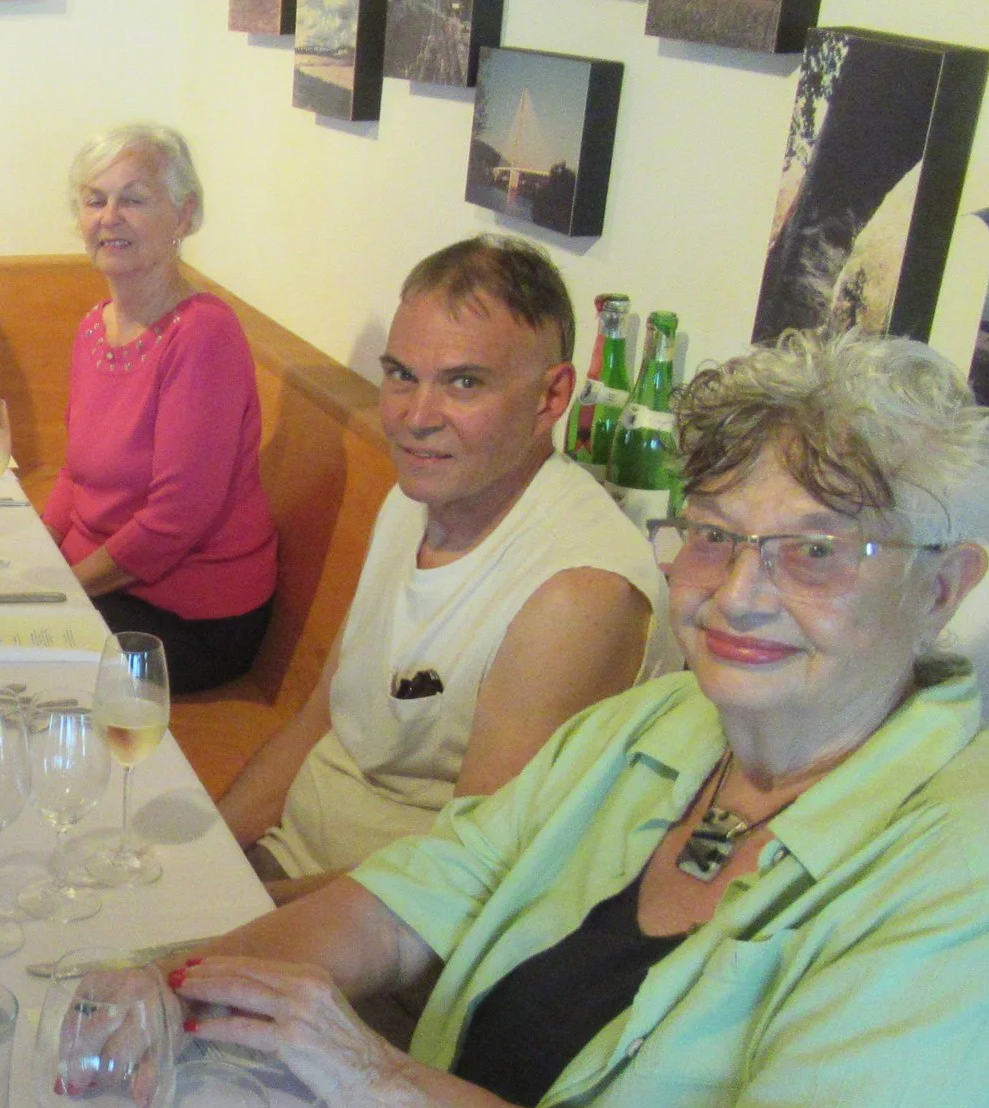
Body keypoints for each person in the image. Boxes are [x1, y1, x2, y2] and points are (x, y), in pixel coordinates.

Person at [166, 331, 989, 1108]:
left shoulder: (967, 871)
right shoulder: (656, 729)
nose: (739, 591)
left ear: (942, 585)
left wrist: (379, 1084)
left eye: (815, 550)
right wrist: (164, 984)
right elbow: (405, 900)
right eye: (712, 534)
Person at [219, 237, 670, 891]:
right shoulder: (417, 497)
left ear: (551, 397)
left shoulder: (576, 595)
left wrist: (241, 915)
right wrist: (202, 861)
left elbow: (460, 881)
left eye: (464, 382)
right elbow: (320, 719)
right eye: (402, 375)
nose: (416, 417)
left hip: (376, 929)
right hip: (286, 871)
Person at [41, 124, 277, 692]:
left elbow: (176, 519)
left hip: (187, 615)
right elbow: (75, 474)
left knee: (7, 659)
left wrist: (61, 592)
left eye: (134, 199)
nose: (109, 217)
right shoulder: (94, 327)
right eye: (95, 200)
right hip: (101, 584)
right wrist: (36, 553)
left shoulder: (202, 335)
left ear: (184, 215)